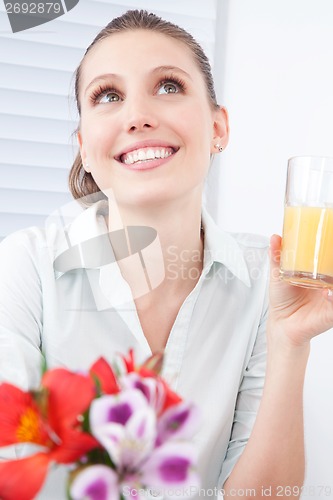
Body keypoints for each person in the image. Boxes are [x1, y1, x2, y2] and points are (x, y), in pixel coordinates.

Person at [0, 8, 333, 500]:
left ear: (218, 128)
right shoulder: (26, 266)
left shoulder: (270, 279)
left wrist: (290, 342)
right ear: (85, 150)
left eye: (169, 86)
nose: (138, 116)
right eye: (108, 96)